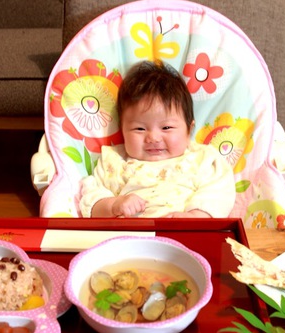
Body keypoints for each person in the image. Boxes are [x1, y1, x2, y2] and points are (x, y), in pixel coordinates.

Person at [79, 60, 236, 218]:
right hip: (132, 232)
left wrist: (196, 216)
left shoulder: (203, 159)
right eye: (139, 129)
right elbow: (92, 202)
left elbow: (220, 192)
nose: (153, 138)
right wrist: (114, 205)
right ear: (122, 131)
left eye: (166, 127)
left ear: (189, 129)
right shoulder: (114, 162)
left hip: (185, 230)